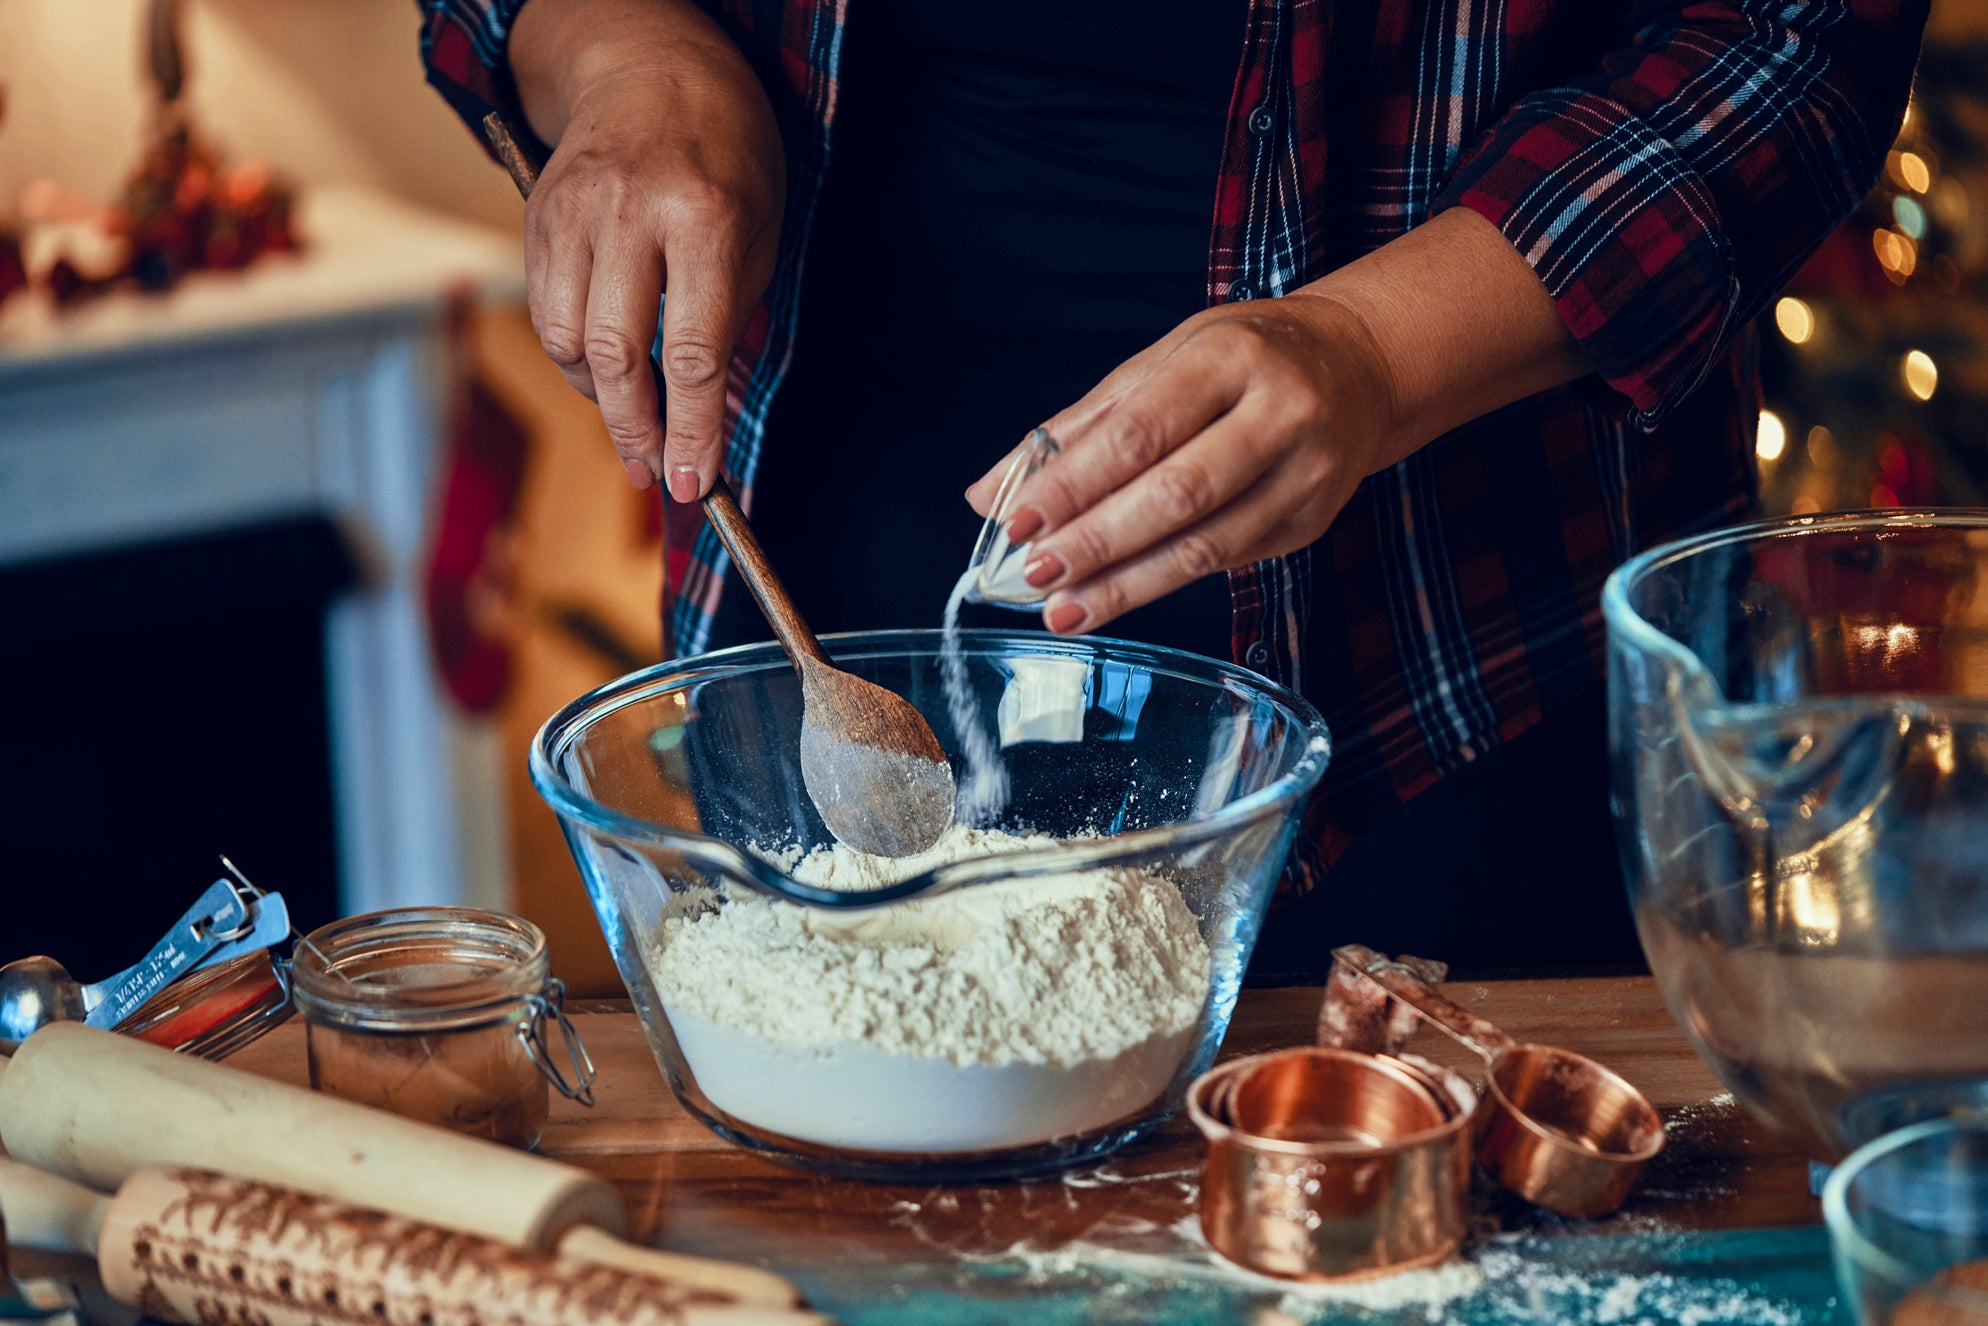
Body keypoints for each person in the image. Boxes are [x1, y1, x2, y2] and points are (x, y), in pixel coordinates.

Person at [418, 0, 1926, 977]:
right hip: (820, 563)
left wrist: (1375, 348)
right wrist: (631, 55)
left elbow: (1800, 33)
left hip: (1457, 637)